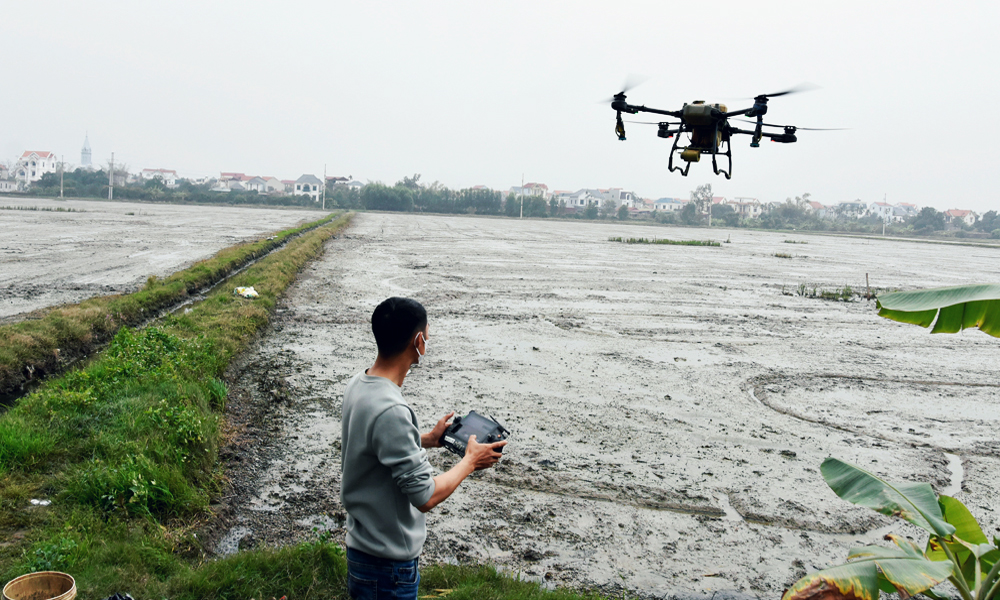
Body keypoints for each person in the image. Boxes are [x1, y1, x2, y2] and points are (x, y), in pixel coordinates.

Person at [340, 297, 506, 600]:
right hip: (387, 567)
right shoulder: (391, 409)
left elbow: (376, 445)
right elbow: (426, 496)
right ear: (419, 341)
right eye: (426, 335)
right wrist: (470, 461)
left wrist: (429, 438)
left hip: (362, 551)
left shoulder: (359, 384)